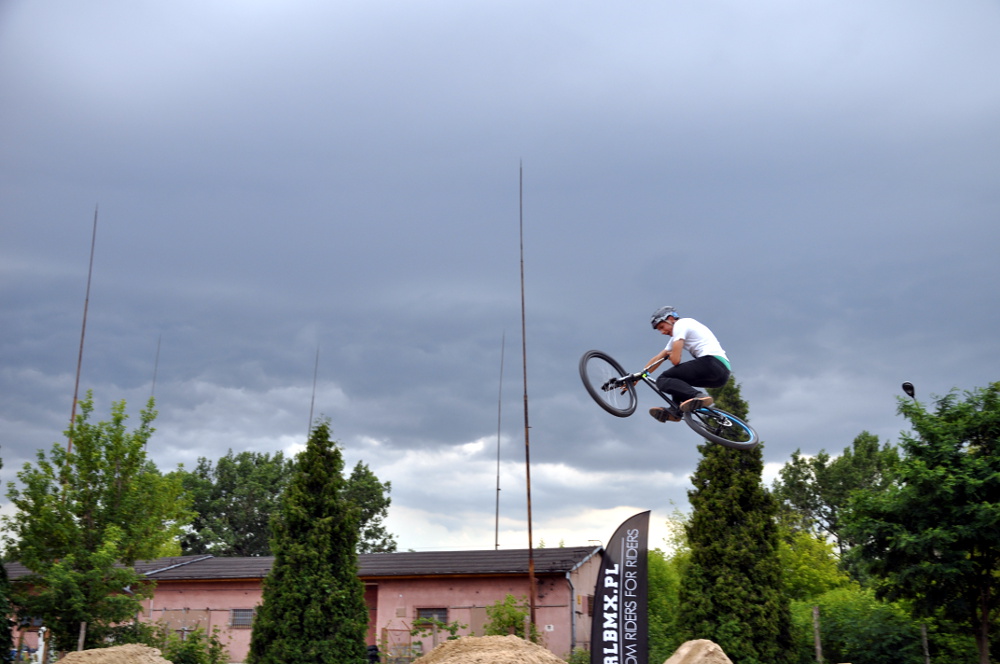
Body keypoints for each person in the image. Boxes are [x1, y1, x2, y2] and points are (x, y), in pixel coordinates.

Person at [644, 306, 731, 422]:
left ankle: (699, 396)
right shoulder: (678, 334)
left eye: (662, 327)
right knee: (677, 382)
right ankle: (675, 411)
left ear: (670, 319)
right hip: (721, 374)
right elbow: (657, 358)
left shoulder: (681, 324)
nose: (662, 332)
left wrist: (672, 355)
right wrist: (638, 377)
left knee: (663, 379)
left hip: (712, 363)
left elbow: (676, 360)